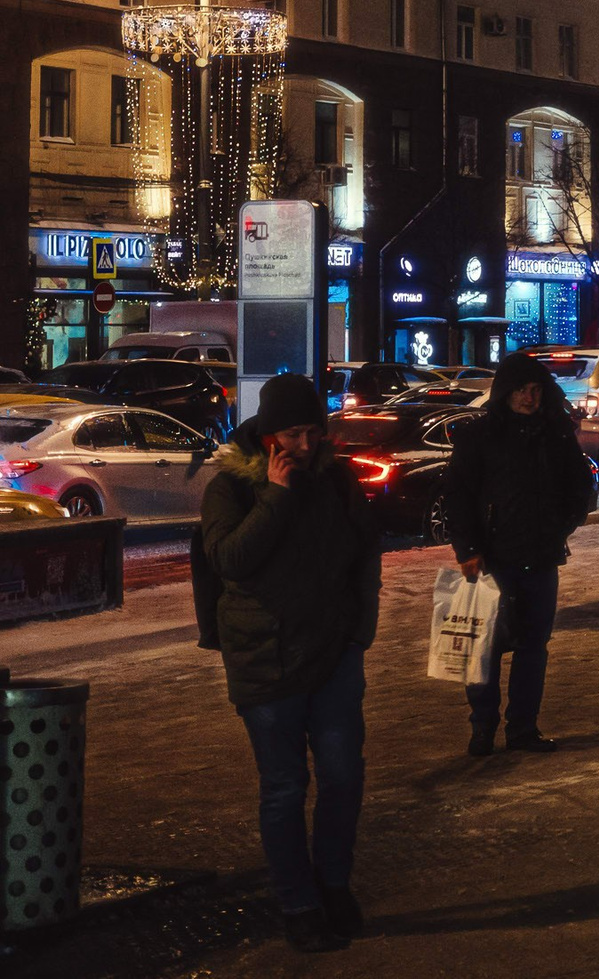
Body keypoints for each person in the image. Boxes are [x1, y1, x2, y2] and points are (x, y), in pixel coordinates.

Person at [199, 374, 381, 952]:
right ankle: (298, 904)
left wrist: (359, 633)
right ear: (267, 435)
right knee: (284, 786)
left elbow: (364, 555)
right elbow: (230, 560)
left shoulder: (335, 479)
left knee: (343, 776)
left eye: (312, 432)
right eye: (293, 434)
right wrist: (275, 497)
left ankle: (333, 885)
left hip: (333, 653)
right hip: (265, 656)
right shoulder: (231, 487)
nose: (304, 445)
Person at [445, 350, 599, 757]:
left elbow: (579, 485)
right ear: (504, 393)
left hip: (541, 557)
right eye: (521, 391)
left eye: (535, 390)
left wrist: (561, 525)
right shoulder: (480, 435)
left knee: (533, 646)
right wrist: (468, 548)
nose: (529, 398)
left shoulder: (554, 434)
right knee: (484, 646)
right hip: (491, 559)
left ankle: (523, 728)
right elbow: (458, 496)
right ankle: (483, 727)